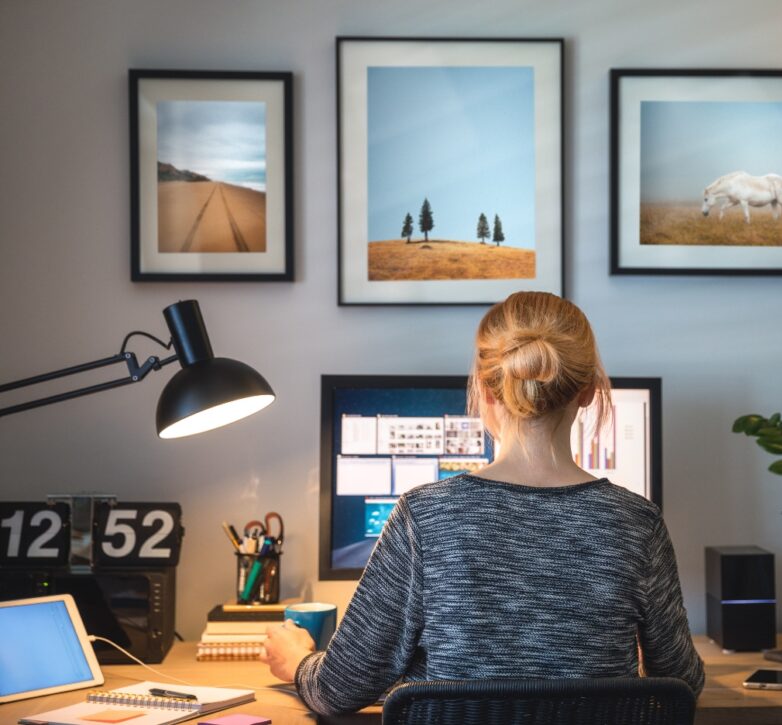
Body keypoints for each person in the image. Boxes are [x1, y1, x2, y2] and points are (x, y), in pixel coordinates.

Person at [261, 291, 705, 715]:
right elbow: (681, 683)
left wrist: (298, 660)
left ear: (487, 391)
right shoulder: (637, 522)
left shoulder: (424, 516)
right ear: (588, 391)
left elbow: (339, 689)